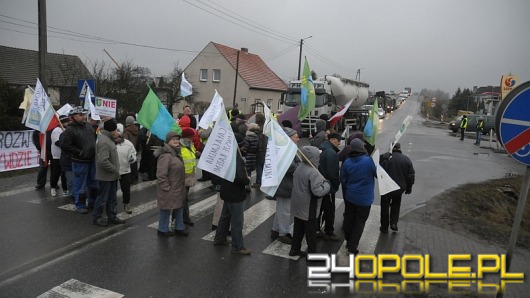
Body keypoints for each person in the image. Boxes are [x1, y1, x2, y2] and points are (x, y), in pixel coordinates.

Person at [213, 133, 251, 255]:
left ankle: (219, 238)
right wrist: (247, 180)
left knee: (225, 217)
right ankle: (238, 247)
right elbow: (239, 177)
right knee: (237, 221)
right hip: (235, 193)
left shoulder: (225, 155)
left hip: (226, 191)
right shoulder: (237, 158)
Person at [289, 146, 331, 257]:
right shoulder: (313, 172)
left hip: (298, 204)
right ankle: (312, 254)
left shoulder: (299, 167)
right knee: (311, 232)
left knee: (298, 229)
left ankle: (294, 249)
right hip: (309, 206)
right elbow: (317, 192)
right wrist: (327, 185)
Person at [340, 138, 377, 254]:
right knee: (359, 222)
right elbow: (378, 174)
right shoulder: (368, 162)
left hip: (350, 196)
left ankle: (348, 238)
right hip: (364, 199)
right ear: (361, 148)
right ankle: (352, 246)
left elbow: (343, 180)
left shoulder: (347, 162)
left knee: (349, 219)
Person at [61, 106, 97, 214]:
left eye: (84, 114)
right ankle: (80, 204)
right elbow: (65, 145)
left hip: (91, 159)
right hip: (79, 161)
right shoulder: (70, 129)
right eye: (81, 115)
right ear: (74, 116)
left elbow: (93, 139)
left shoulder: (89, 126)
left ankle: (93, 202)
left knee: (93, 183)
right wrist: (79, 152)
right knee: (80, 185)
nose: (83, 116)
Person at [92, 119, 125, 227]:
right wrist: (114, 169)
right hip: (105, 176)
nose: (117, 132)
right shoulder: (104, 141)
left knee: (112, 198)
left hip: (111, 176)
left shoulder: (108, 139)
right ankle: (97, 218)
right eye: (116, 130)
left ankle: (112, 216)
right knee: (102, 198)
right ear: (112, 131)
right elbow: (102, 161)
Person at [155, 131, 187, 237]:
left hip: (177, 187)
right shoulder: (165, 156)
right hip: (169, 188)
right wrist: (166, 187)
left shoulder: (176, 153)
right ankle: (162, 229)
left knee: (179, 208)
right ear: (168, 141)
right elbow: (161, 174)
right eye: (173, 139)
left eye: (177, 139)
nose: (176, 141)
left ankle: (179, 227)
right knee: (166, 209)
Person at [271, 127, 299, 244]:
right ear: (289, 138)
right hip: (284, 183)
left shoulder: (288, 148)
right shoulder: (286, 150)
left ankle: (275, 230)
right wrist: (300, 165)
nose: (298, 138)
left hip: (284, 183)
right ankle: (283, 233)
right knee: (285, 210)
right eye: (296, 136)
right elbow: (290, 167)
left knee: (281, 208)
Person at [379, 143, 415, 233]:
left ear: (391, 147)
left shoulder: (386, 158)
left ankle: (384, 227)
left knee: (385, 206)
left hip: (386, 187)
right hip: (399, 188)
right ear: (399, 148)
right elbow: (411, 175)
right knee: (396, 204)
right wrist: (409, 187)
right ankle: (394, 223)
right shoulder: (406, 159)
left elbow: (377, 169)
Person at [317, 133, 342, 241]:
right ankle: (329, 231)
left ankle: (316, 229)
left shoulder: (322, 148)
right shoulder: (331, 153)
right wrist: (336, 184)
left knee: (320, 208)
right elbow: (333, 173)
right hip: (328, 186)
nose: (339, 143)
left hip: (320, 184)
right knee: (329, 210)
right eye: (338, 140)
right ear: (332, 140)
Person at [179, 127, 201, 227]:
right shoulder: (180, 147)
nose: (191, 139)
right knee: (183, 199)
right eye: (189, 138)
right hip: (181, 176)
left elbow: (192, 154)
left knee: (184, 199)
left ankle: (180, 217)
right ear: (184, 137)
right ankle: (184, 218)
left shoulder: (189, 145)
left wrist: (196, 153)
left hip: (189, 176)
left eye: (192, 137)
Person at [116, 124, 137, 214]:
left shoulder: (128, 144)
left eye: (119, 134)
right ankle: (112, 206)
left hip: (125, 170)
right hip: (113, 170)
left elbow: (133, 153)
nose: (117, 137)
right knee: (112, 190)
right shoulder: (110, 143)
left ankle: (126, 204)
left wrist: (132, 158)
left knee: (126, 189)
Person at [49, 115, 69, 197]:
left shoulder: (67, 130)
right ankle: (53, 187)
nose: (68, 123)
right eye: (66, 121)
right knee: (56, 172)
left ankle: (65, 189)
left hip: (65, 155)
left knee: (65, 173)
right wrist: (67, 145)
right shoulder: (56, 131)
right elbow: (57, 142)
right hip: (57, 155)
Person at [242, 123, 259, 189]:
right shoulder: (256, 137)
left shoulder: (247, 138)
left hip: (247, 156)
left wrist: (241, 149)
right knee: (249, 172)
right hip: (253, 156)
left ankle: (247, 185)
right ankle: (249, 184)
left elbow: (245, 148)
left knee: (246, 172)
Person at [122, 115, 139, 181]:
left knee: (129, 164)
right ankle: (135, 176)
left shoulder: (126, 131)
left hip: (129, 149)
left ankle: (131, 178)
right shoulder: (136, 130)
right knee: (134, 162)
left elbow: (125, 141)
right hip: (135, 148)